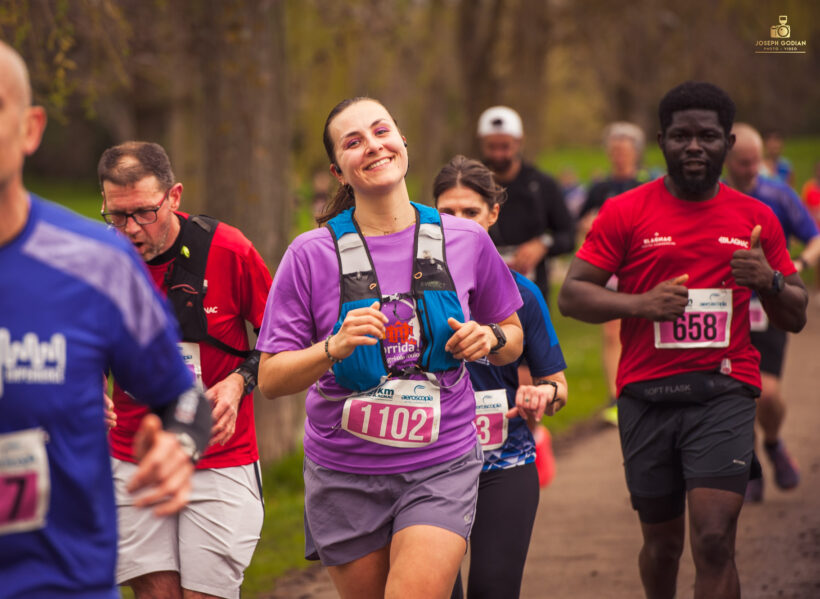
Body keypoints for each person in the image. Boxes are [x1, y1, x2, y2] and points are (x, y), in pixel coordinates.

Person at [0, 31, 212, 598]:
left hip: (61, 586)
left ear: (29, 127)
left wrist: (177, 451)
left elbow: (182, 401)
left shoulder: (97, 263)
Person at [256, 97, 525, 599]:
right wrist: (332, 348)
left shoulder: (465, 238)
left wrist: (489, 338)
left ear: (403, 141)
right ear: (339, 171)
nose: (373, 146)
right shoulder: (310, 254)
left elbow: (513, 337)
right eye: (353, 142)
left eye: (381, 132)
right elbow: (270, 379)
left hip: (440, 463)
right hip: (344, 474)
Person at [558, 81, 808, 599]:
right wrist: (640, 305)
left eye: (707, 136)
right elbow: (572, 294)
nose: (694, 146)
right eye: (681, 136)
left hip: (724, 392)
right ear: (662, 141)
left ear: (727, 142)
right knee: (663, 546)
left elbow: (796, 315)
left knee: (715, 541)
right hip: (647, 397)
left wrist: (770, 279)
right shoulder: (626, 212)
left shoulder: (756, 218)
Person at [98, 142, 272, 598]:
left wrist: (238, 384)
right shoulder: (100, 261)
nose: (131, 229)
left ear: (174, 196)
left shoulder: (230, 250)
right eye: (117, 216)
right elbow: (87, 345)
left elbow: (282, 339)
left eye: (144, 212)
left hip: (220, 453)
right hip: (132, 454)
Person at [433, 155, 568, 599]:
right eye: (446, 213)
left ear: (493, 213)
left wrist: (540, 395)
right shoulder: (408, 292)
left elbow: (557, 384)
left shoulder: (521, 293)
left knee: (493, 589)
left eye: (470, 212)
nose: (458, 224)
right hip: (424, 469)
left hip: (503, 460)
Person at [723, 123, 820, 502]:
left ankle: (775, 443)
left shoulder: (776, 195)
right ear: (727, 161)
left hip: (768, 303)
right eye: (743, 163)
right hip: (724, 308)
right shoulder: (711, 196)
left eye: (755, 161)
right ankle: (749, 465)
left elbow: (815, 236)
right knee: (733, 391)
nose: (751, 169)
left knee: (767, 392)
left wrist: (798, 263)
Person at [577, 122, 650, 424]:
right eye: (615, 150)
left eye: (625, 151)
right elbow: (581, 225)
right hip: (608, 266)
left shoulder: (647, 187)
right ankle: (615, 397)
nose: (619, 156)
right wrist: (587, 226)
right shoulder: (599, 189)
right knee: (611, 332)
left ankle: (644, 388)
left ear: (636, 154)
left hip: (640, 266)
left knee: (643, 326)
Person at [476, 105, 575, 303]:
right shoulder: (470, 185)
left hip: (531, 292)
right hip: (481, 290)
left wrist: (543, 245)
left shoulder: (541, 185)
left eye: (505, 147)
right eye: (491, 147)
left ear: (519, 142)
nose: (498, 155)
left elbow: (568, 235)